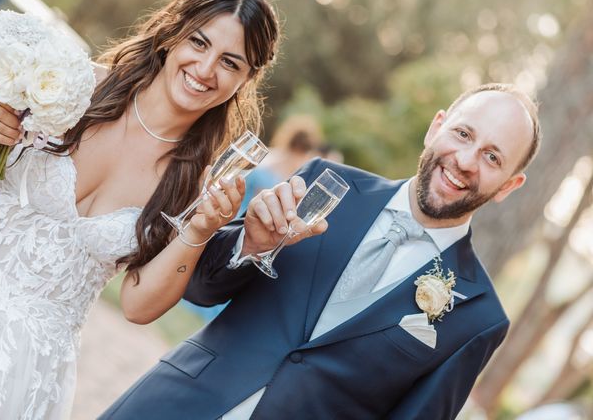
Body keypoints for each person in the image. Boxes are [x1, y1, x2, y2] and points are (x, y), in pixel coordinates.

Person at [100, 83, 541, 419]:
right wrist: (250, 244)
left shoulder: (479, 318)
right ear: (436, 127)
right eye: (463, 134)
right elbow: (199, 287)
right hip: (174, 405)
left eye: (492, 158)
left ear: (509, 186)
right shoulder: (326, 183)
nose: (465, 161)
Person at [0, 0, 279, 419]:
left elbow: (138, 305)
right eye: (199, 43)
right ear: (172, 33)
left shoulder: (193, 185)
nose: (205, 70)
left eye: (230, 62)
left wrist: (200, 229)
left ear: (246, 79)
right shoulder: (73, 84)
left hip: (26, 362)